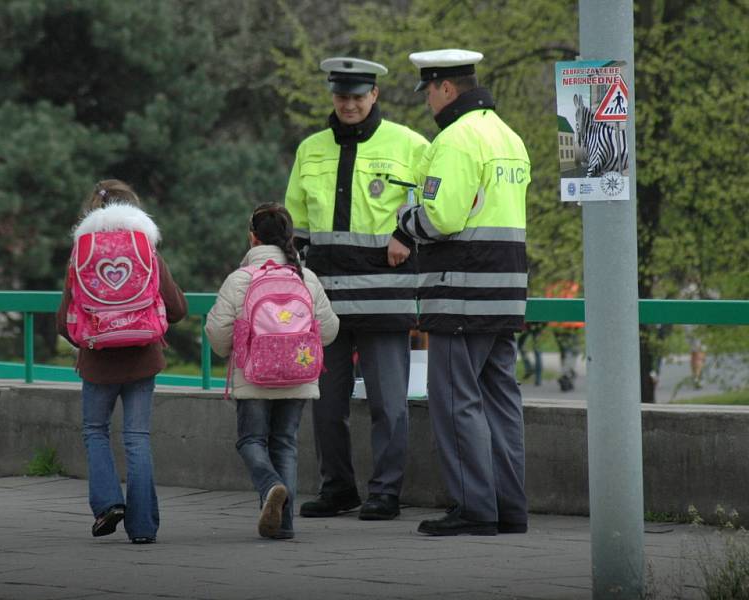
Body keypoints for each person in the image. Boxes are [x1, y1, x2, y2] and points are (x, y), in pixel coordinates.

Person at [392, 49, 531, 536]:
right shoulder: (507, 136)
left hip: (461, 293)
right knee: (500, 402)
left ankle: (474, 508)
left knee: (454, 400)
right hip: (506, 290)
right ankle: (509, 507)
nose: (427, 101)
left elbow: (443, 217)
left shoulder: (455, 139)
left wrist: (405, 219)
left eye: (428, 90)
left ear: (445, 88)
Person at [285, 56, 429, 521]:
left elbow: (441, 203)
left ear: (375, 95)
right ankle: (338, 489)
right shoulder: (310, 149)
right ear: (333, 96)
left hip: (385, 297)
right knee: (326, 405)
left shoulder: (411, 145)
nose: (349, 104)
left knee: (390, 404)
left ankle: (386, 493)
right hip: (324, 301)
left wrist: (408, 234)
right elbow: (297, 226)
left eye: (357, 96)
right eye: (342, 96)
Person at [56, 179, 188, 544]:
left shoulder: (81, 257)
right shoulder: (147, 253)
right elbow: (177, 309)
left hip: (98, 362)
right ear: (136, 210)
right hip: (143, 359)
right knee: (137, 438)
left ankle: (108, 503)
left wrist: (95, 335)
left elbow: (63, 320)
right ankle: (143, 527)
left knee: (96, 431)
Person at [205, 203, 339, 539]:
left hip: (254, 376)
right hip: (299, 376)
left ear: (252, 237)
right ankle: (285, 524)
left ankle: (270, 486)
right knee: (285, 443)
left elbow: (218, 331)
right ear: (289, 236)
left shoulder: (241, 279)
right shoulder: (305, 277)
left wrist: (230, 353)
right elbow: (329, 329)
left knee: (251, 439)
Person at [544, 280, 584, 392]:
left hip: (557, 325)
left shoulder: (552, 286)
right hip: (571, 325)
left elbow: (548, 305)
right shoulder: (573, 285)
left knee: (564, 351)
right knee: (572, 351)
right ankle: (567, 374)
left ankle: (566, 373)